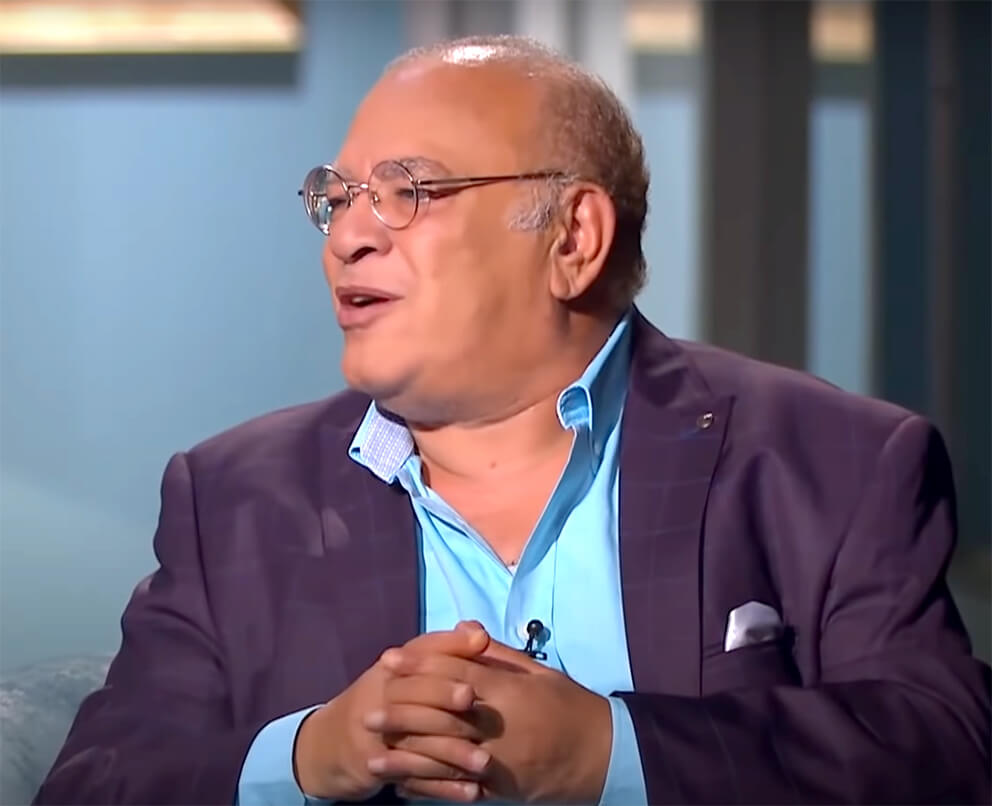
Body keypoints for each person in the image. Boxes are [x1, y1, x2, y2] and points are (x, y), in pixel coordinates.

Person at [36, 35, 990, 806]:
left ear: (573, 238)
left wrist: (610, 753)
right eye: (337, 199)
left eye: (407, 191)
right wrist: (310, 756)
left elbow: (946, 756)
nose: (349, 236)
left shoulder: (833, 462)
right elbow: (97, 783)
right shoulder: (233, 497)